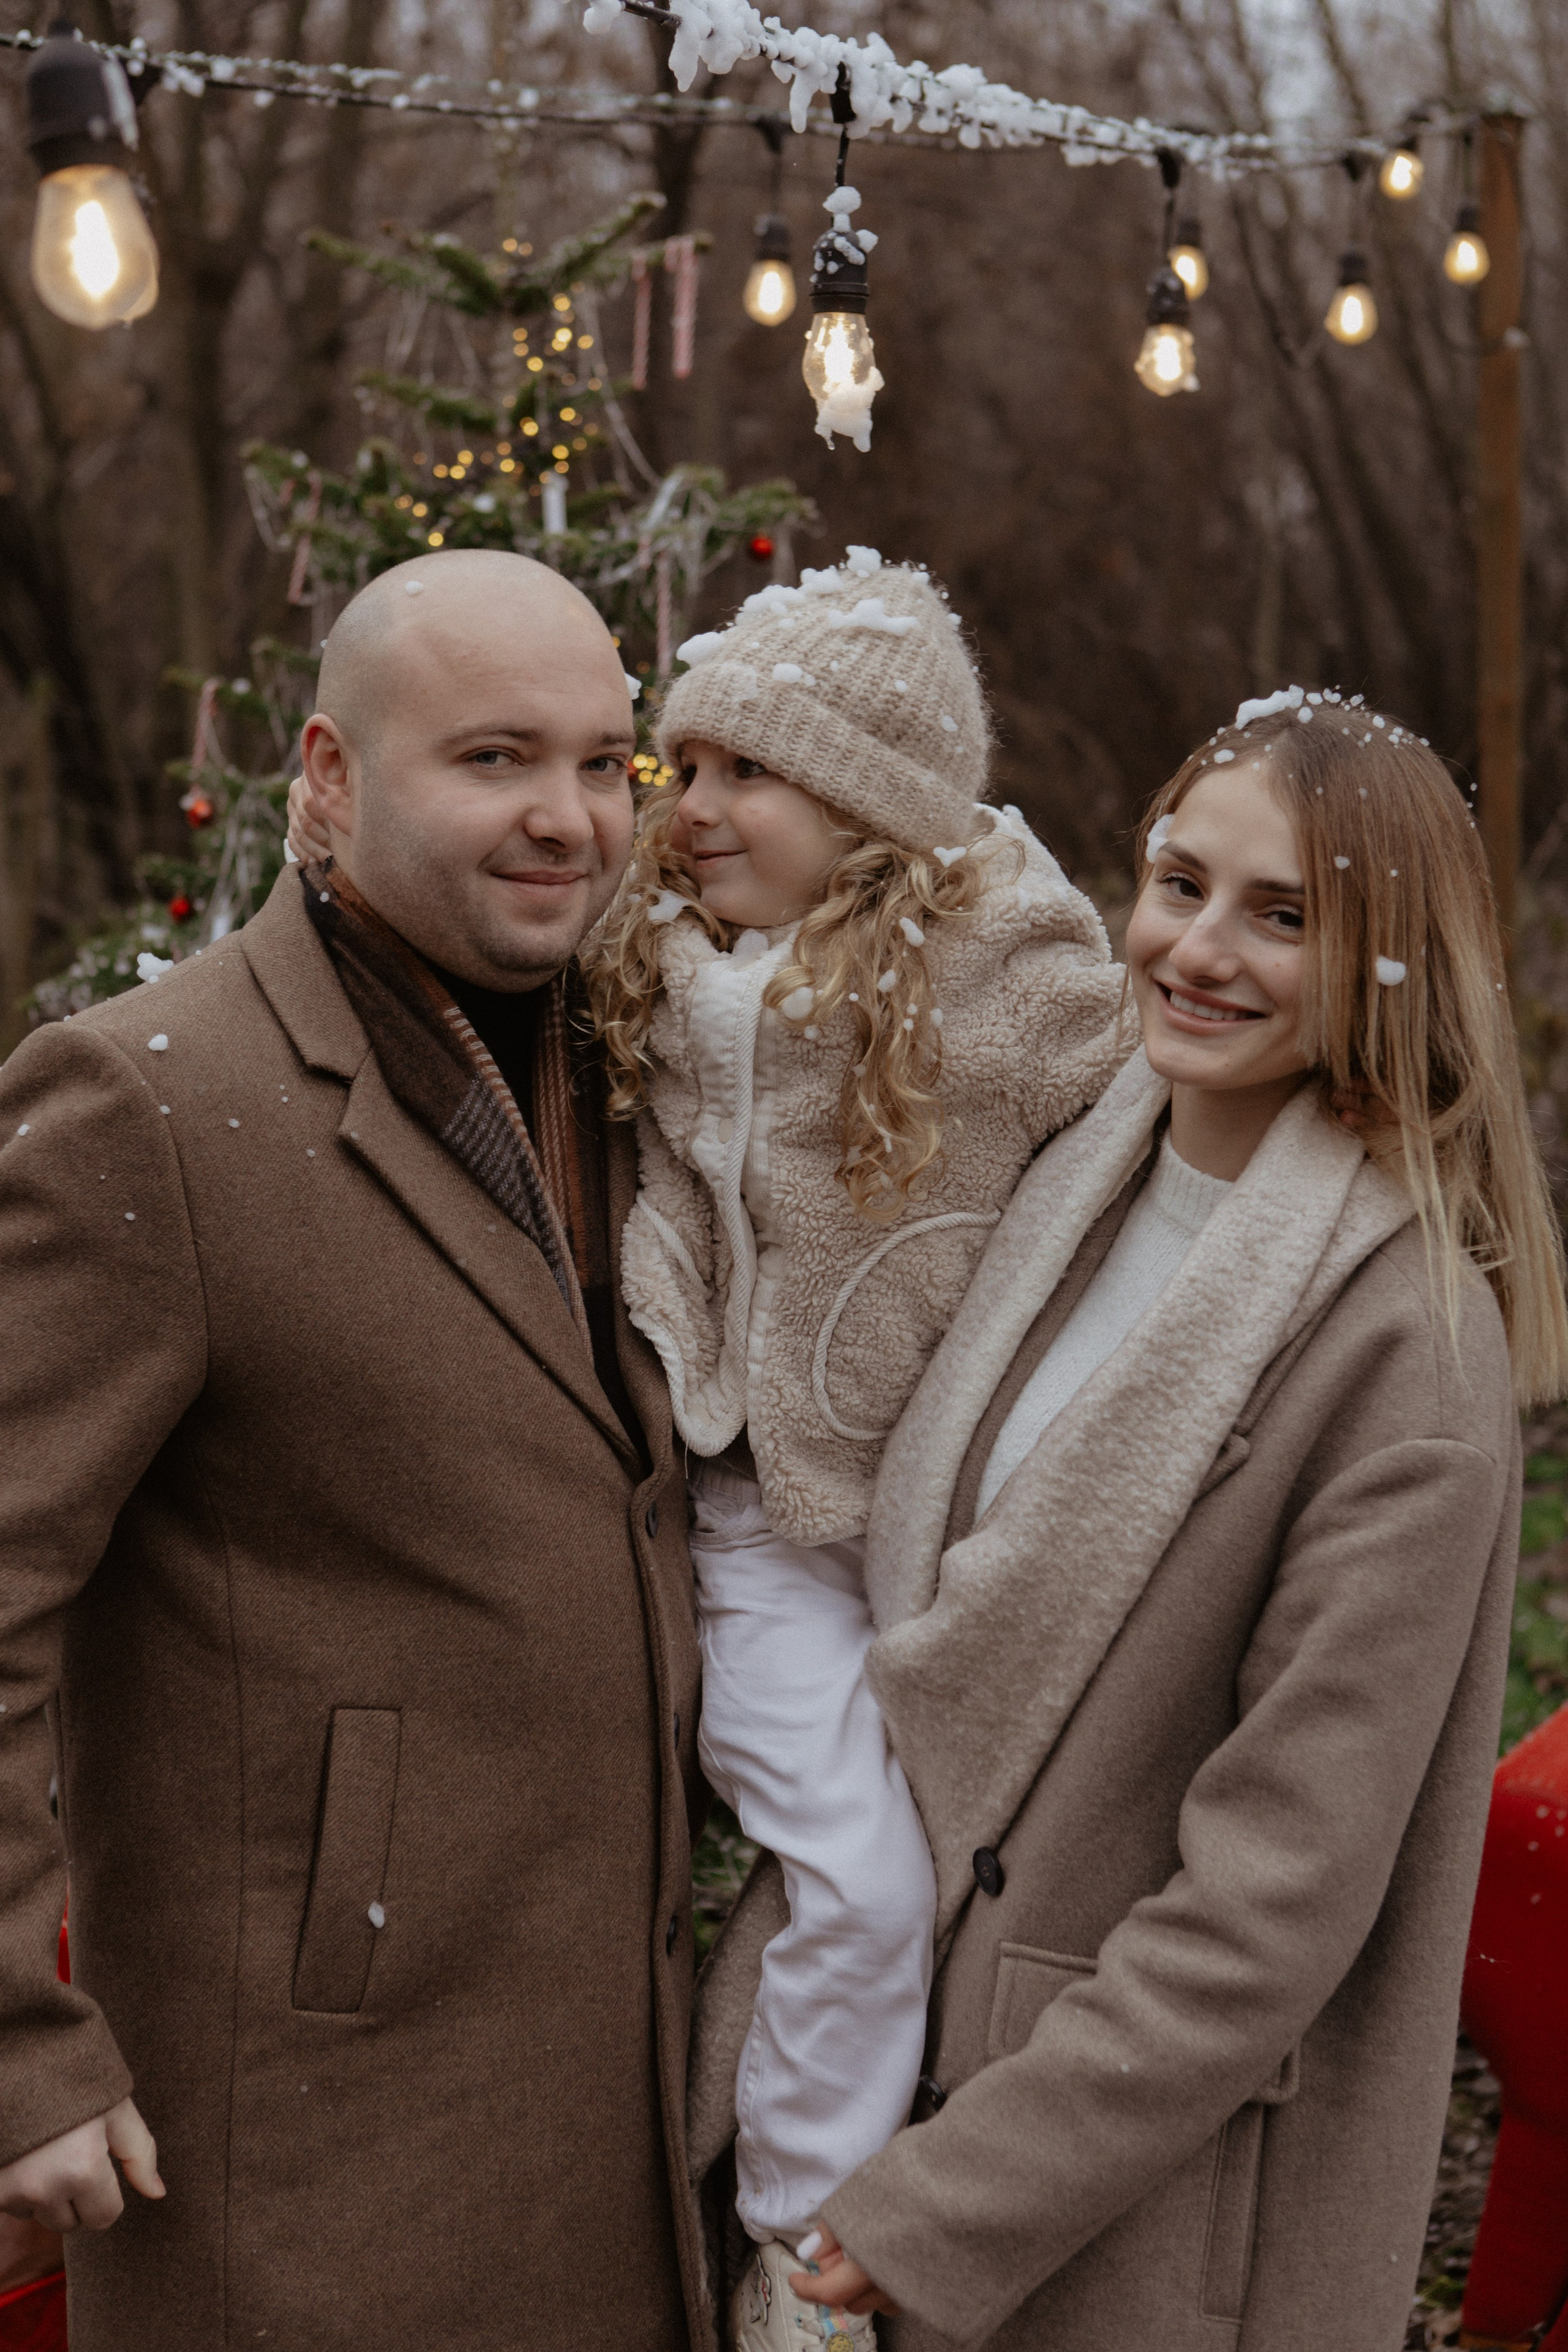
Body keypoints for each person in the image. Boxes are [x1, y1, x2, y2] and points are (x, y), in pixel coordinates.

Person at [694, 687, 1568, 2347]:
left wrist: (948, 2201)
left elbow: (1275, 1905)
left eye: (1286, 916)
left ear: (1396, 959)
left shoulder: (1405, 1360)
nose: (1201, 950)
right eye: (1182, 884)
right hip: (878, 2060)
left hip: (1108, 2193)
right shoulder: (1059, 1178)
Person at [0, 549, 709, 2352]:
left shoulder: (639, 1076)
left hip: (616, 2108)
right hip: (311, 2156)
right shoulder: (145, 1103)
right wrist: (21, 2045)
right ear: (325, 777)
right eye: (493, 760)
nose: (568, 820)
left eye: (605, 763)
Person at [582, 546, 1127, 2348]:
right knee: (865, 1876)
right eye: (688, 766)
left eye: (748, 773)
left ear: (874, 804)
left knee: (1005, 1875)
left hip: (957, 1517)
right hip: (757, 1525)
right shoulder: (643, 971)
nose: (693, 808)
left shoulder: (1012, 972)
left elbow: (1166, 1094)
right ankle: (801, 2261)